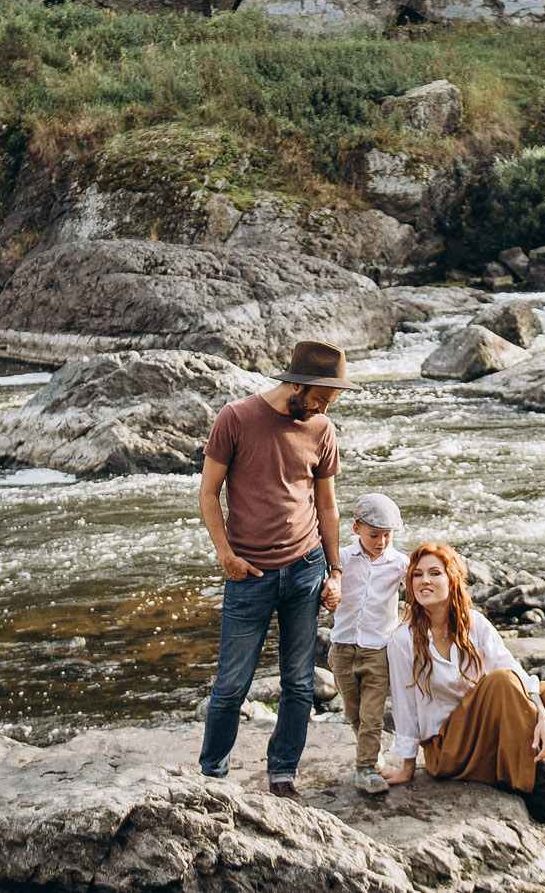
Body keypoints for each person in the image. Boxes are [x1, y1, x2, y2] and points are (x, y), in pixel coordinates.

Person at [382, 542, 545, 858]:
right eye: (417, 574)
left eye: (434, 573)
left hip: (489, 735)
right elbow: (404, 703)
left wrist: (543, 716)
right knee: (500, 683)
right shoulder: (403, 641)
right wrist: (407, 765)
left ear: (452, 581)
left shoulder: (473, 623)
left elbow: (514, 669)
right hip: (448, 749)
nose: (424, 581)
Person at [198, 339, 357, 798]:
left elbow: (326, 505)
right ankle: (212, 777)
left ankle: (282, 773)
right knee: (230, 685)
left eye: (330, 401)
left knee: (299, 682)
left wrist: (335, 571)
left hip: (306, 567)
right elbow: (209, 493)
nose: (324, 408)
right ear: (297, 384)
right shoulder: (236, 417)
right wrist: (226, 555)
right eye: (320, 399)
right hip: (249, 574)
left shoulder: (321, 428)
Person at [329, 492, 409, 796]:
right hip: (343, 647)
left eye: (387, 536)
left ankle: (364, 769)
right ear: (356, 528)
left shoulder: (399, 563)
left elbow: (418, 589)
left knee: (372, 714)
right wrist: (328, 592)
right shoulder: (342, 560)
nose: (382, 542)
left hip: (378, 650)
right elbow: (327, 587)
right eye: (375, 535)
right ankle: (372, 755)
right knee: (354, 712)